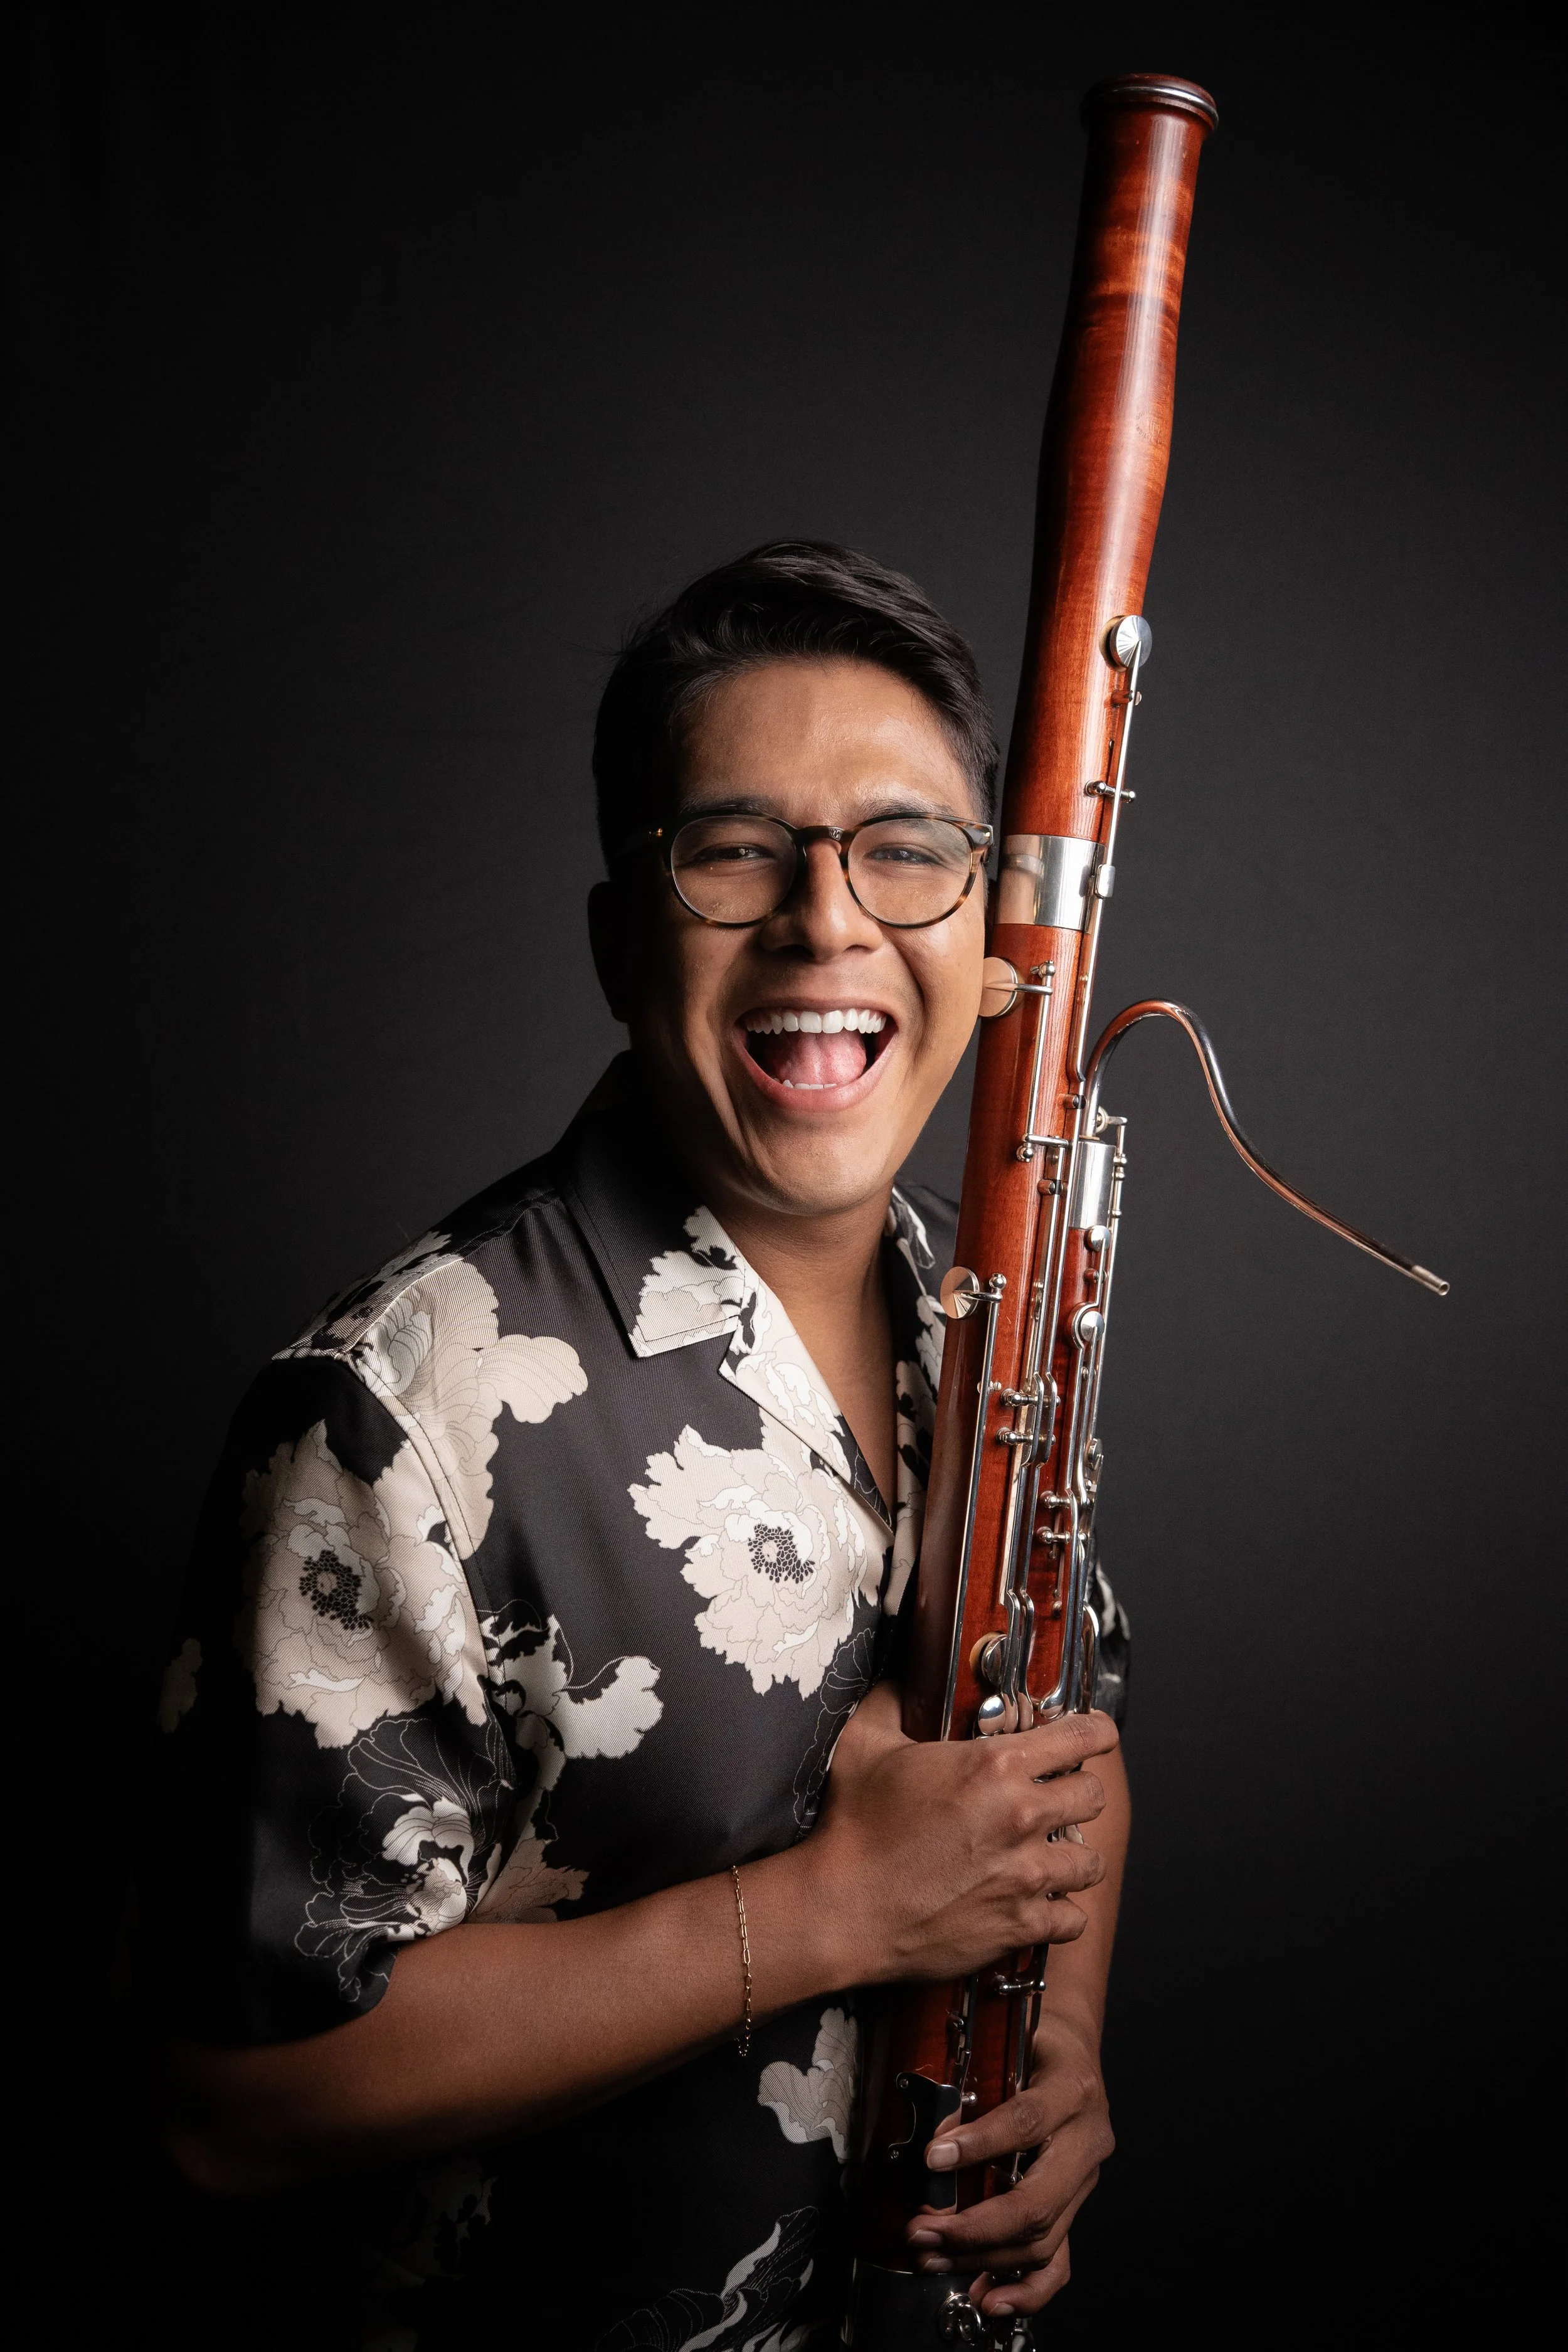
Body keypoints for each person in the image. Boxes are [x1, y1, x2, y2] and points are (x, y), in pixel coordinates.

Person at [148, 541, 1131, 2349]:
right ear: (621, 938)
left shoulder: (976, 1308)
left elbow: (1057, 1752)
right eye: (735, 848)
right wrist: (836, 1909)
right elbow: (232, 2105)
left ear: (993, 944)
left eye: (902, 849)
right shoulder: (391, 1407)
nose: (826, 921)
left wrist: (1059, 2048)